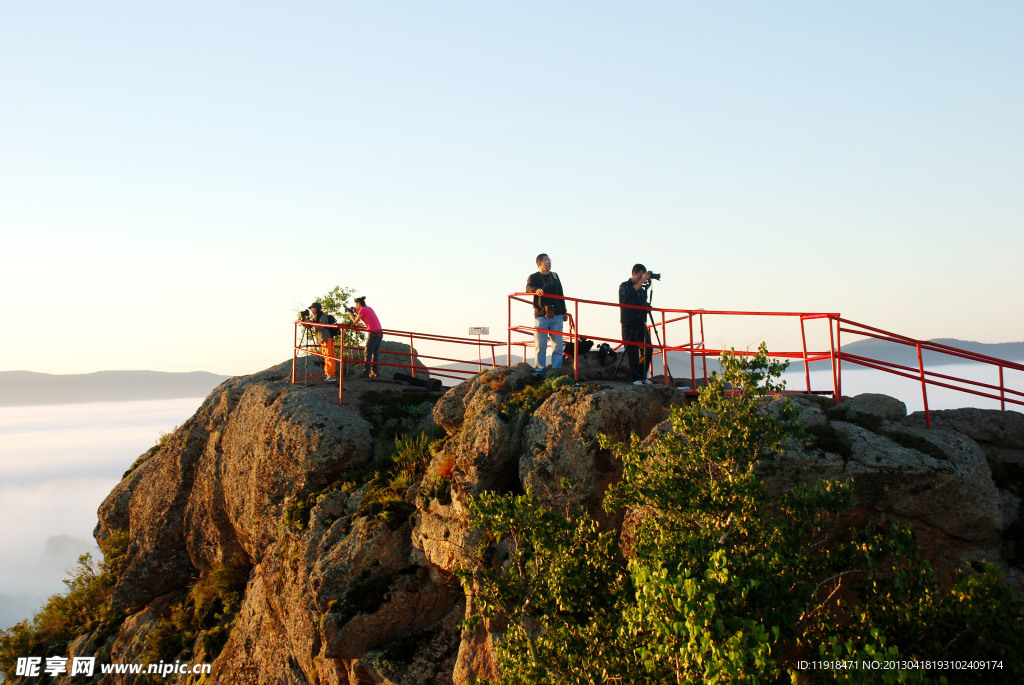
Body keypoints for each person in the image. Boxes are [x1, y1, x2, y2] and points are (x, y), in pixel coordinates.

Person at [525, 253, 568, 376]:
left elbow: (561, 294)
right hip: (541, 315)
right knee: (540, 345)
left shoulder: (554, 276)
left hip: (557, 314)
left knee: (558, 345)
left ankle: (556, 371)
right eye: (546, 260)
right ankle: (540, 371)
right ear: (539, 263)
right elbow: (528, 288)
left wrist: (564, 311)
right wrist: (535, 290)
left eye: (549, 260)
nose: (549, 262)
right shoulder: (533, 277)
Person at [618, 264, 654, 385]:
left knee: (648, 348)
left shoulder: (642, 291)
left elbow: (642, 304)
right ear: (634, 273)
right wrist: (643, 280)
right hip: (628, 323)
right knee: (632, 350)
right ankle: (635, 377)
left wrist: (647, 307)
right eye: (640, 275)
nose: (642, 278)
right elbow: (630, 293)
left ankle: (643, 375)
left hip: (640, 323)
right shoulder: (624, 286)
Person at [351, 296, 384, 378]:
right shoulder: (368, 308)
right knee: (375, 353)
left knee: (368, 352)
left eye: (356, 305)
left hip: (373, 332)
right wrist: (355, 312)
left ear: (358, 304)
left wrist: (350, 313)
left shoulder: (363, 310)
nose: (356, 307)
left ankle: (366, 372)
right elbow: (363, 317)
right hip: (379, 331)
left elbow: (355, 321)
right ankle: (375, 372)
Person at [307, 302, 338, 382]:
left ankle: (331, 375)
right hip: (323, 340)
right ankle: (328, 374)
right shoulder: (317, 317)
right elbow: (314, 325)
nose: (311, 310)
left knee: (329, 356)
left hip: (327, 338)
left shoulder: (322, 316)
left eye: (312, 308)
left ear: (316, 308)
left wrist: (311, 323)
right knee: (326, 357)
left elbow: (321, 327)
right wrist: (307, 322)